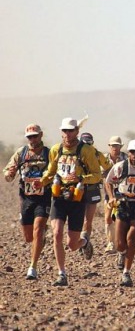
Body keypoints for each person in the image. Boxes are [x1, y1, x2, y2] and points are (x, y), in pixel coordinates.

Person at [36, 117, 101, 286]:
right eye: (64, 131)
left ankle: (84, 242)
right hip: (58, 196)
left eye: (70, 130)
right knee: (56, 233)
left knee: (72, 244)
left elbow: (97, 174)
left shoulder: (86, 151)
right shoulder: (56, 150)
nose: (67, 134)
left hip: (77, 198)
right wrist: (41, 182)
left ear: (77, 131)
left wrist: (80, 177)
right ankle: (61, 273)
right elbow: (50, 172)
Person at [3, 124, 51, 280]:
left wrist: (46, 181)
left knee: (38, 229)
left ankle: (33, 267)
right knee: (28, 237)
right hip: (26, 198)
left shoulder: (49, 154)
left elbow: (56, 173)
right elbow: (8, 173)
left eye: (35, 136)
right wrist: (9, 173)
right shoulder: (21, 153)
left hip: (43, 198)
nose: (32, 139)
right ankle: (41, 237)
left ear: (41, 135)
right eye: (29, 137)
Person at [104, 139, 135, 286]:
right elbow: (108, 181)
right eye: (131, 151)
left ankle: (126, 273)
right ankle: (121, 254)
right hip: (122, 205)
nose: (134, 155)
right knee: (120, 243)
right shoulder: (121, 167)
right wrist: (111, 197)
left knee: (131, 239)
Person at [79, 133, 112, 254]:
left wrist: (101, 175)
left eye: (89, 143)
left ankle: (85, 240)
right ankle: (80, 240)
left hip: (92, 189)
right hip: (78, 188)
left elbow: (108, 167)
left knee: (88, 220)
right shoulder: (74, 154)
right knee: (78, 218)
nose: (87, 146)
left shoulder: (98, 154)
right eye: (84, 143)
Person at [103, 136, 128, 253]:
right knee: (108, 218)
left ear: (120, 147)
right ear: (109, 146)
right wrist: (110, 196)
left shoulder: (126, 159)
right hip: (109, 192)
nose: (115, 148)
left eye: (117, 145)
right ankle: (110, 243)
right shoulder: (104, 159)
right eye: (113, 145)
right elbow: (104, 179)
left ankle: (122, 242)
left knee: (122, 218)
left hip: (123, 193)